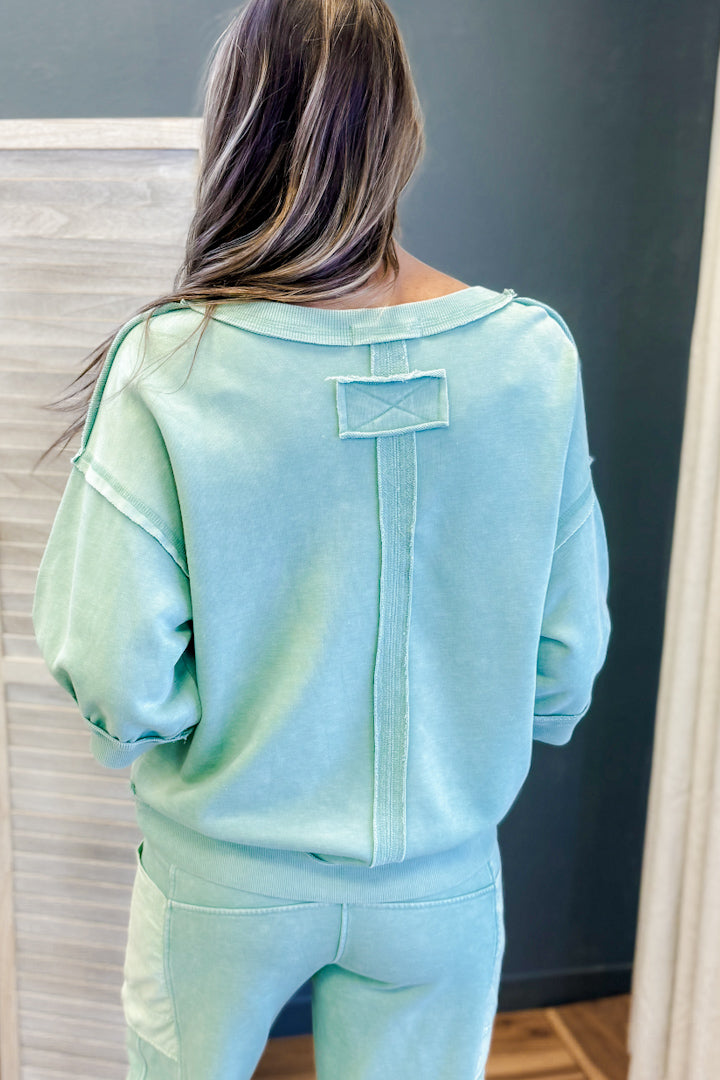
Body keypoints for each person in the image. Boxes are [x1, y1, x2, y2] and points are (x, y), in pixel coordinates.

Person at [31, 1, 612, 1078]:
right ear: (404, 127)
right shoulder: (534, 358)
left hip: (221, 874)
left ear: (236, 127)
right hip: (443, 877)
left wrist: (232, 734)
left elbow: (114, 668)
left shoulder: (171, 363)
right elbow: (567, 654)